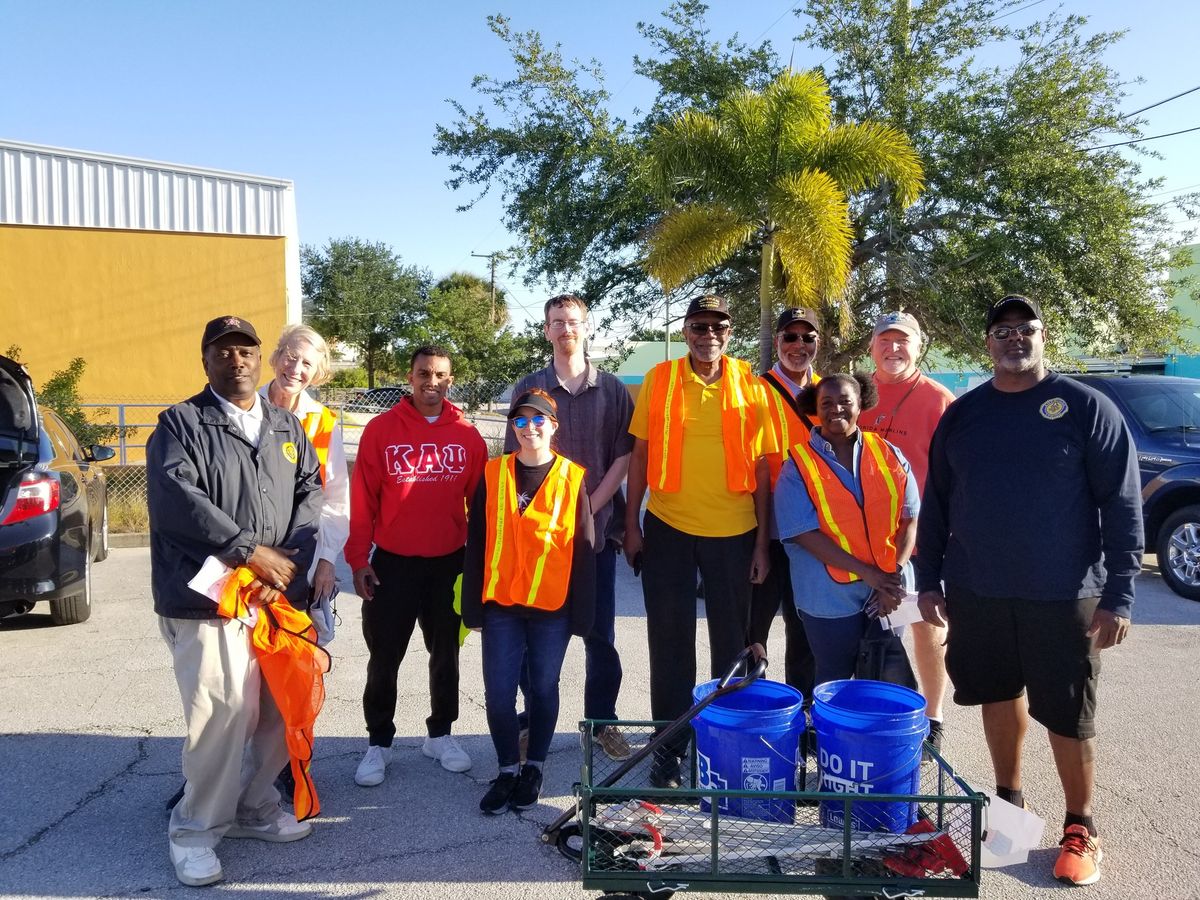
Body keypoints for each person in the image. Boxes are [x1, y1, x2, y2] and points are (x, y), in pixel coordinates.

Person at [916, 294, 1143, 887]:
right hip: (978, 590)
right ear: (986, 342)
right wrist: (928, 579)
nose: (1014, 339)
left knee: (1068, 715)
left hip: (1063, 594)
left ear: (1044, 336)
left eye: (1026, 329)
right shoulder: (963, 416)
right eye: (1002, 330)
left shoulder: (1086, 408)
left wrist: (1120, 594)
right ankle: (1009, 810)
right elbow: (936, 503)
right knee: (997, 696)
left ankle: (1080, 826)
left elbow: (1120, 505)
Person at [148, 315, 323, 887]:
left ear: (258, 357)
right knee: (221, 716)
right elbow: (179, 501)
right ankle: (195, 831)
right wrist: (250, 552)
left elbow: (310, 490)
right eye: (223, 351)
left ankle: (254, 809)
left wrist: (288, 558)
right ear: (206, 360)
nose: (236, 360)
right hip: (208, 601)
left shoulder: (283, 425)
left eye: (245, 349)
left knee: (277, 707)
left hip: (275, 597)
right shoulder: (180, 424)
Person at [624, 294, 775, 789]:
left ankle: (724, 749)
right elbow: (640, 456)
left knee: (731, 647)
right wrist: (632, 523)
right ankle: (669, 750)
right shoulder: (659, 380)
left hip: (735, 533)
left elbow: (763, 469)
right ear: (686, 330)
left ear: (730, 333)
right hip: (668, 526)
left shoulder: (753, 386)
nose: (708, 333)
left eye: (718, 326)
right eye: (699, 325)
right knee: (669, 644)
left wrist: (761, 544)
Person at [344, 346, 488, 787]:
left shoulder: (468, 435)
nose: (432, 381)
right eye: (424, 373)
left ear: (451, 379)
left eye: (441, 375)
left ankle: (440, 735)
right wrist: (357, 560)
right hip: (392, 565)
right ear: (409, 377)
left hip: (449, 564)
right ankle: (378, 743)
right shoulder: (381, 430)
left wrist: (479, 568)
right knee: (384, 658)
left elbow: (479, 509)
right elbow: (362, 502)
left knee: (445, 654)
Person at [506, 294, 635, 761]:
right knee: (535, 636)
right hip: (540, 540)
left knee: (600, 635)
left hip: (595, 535)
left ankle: (603, 722)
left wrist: (588, 510)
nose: (566, 329)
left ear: (586, 328)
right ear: (546, 330)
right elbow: (513, 463)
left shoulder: (614, 390)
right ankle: (531, 723)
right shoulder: (530, 388)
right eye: (557, 322)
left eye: (573, 321)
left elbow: (623, 456)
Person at [462, 389, 596, 814]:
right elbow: (477, 542)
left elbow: (585, 551)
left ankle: (533, 766)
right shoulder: (493, 473)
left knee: (542, 687)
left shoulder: (572, 479)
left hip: (551, 608)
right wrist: (472, 607)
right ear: (512, 427)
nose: (530, 427)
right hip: (501, 604)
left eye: (539, 420)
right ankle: (506, 769)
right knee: (499, 693)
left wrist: (583, 615)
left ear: (554, 426)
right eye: (520, 421)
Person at [773, 373, 920, 685]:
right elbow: (803, 534)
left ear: (861, 404)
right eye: (827, 403)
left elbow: (910, 519)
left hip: (891, 591)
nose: (836, 409)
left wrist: (890, 579)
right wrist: (872, 576)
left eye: (845, 402)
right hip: (827, 596)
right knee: (833, 681)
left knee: (883, 678)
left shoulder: (890, 454)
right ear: (815, 407)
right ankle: (831, 735)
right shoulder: (797, 466)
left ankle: (878, 737)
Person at [861, 311, 956, 753]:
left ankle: (932, 715)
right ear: (871, 347)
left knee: (925, 626)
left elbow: (957, 475)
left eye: (903, 341)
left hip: (921, 538)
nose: (893, 348)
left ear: (920, 347)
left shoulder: (939, 401)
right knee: (876, 631)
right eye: (885, 340)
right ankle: (879, 713)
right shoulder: (856, 396)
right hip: (862, 538)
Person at [747, 307, 820, 700]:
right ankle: (750, 709)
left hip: (810, 531)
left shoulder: (829, 392)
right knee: (752, 627)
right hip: (763, 526)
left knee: (804, 626)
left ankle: (802, 713)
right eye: (790, 337)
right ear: (776, 342)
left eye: (807, 337)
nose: (799, 345)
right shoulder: (754, 389)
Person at [261, 324, 350, 643]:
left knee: (296, 659)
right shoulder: (243, 409)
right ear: (276, 357)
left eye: (307, 364)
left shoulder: (323, 423)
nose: (295, 369)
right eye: (290, 356)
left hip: (303, 561)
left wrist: (326, 561)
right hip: (250, 558)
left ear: (317, 373)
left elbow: (337, 499)